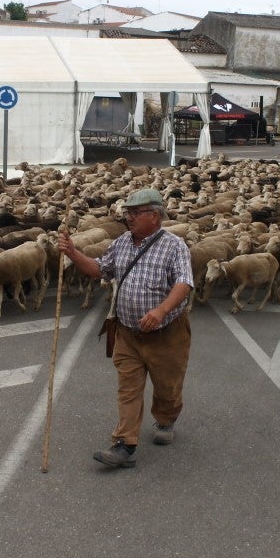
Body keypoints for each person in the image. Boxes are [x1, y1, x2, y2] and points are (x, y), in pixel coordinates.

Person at [57, 188, 194, 469]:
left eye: (134, 213)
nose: (128, 218)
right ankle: (124, 444)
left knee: (167, 387)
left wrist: (161, 310)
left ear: (154, 216)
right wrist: (72, 252)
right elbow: (99, 269)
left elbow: (184, 283)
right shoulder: (121, 243)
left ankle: (166, 418)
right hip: (128, 333)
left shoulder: (174, 246)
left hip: (166, 334)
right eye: (127, 213)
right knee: (128, 389)